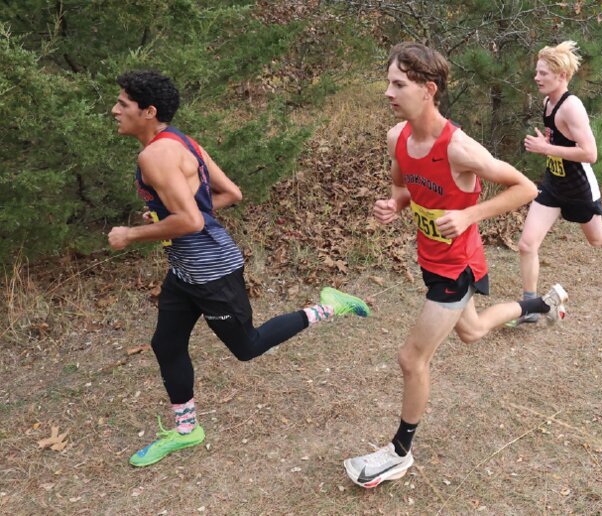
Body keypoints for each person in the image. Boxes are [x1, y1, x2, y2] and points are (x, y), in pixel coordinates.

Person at [108, 70, 370, 467]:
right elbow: (229, 194)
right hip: (185, 270)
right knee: (166, 343)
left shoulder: (154, 154)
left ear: (148, 111)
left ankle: (329, 306)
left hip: (212, 272)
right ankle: (186, 430)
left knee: (246, 347)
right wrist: (165, 216)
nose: (115, 110)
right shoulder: (182, 141)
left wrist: (131, 234)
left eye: (123, 104)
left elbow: (193, 221)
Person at [342, 43, 568, 489]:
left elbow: (525, 188)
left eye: (399, 84)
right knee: (474, 330)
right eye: (389, 81)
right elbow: (407, 189)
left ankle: (399, 453)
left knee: (411, 358)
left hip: (456, 266)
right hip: (430, 257)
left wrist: (469, 215)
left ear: (429, 90)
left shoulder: (460, 148)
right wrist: (394, 204)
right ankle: (541, 303)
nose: (389, 92)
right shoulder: (398, 138)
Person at [513, 41, 602, 325]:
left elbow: (590, 153)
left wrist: (547, 149)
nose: (537, 78)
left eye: (543, 73)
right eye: (537, 72)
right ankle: (531, 306)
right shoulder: (547, 101)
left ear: (561, 76)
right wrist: (548, 144)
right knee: (526, 244)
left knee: (596, 239)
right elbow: (563, 141)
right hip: (553, 184)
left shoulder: (571, 107)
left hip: (578, 186)